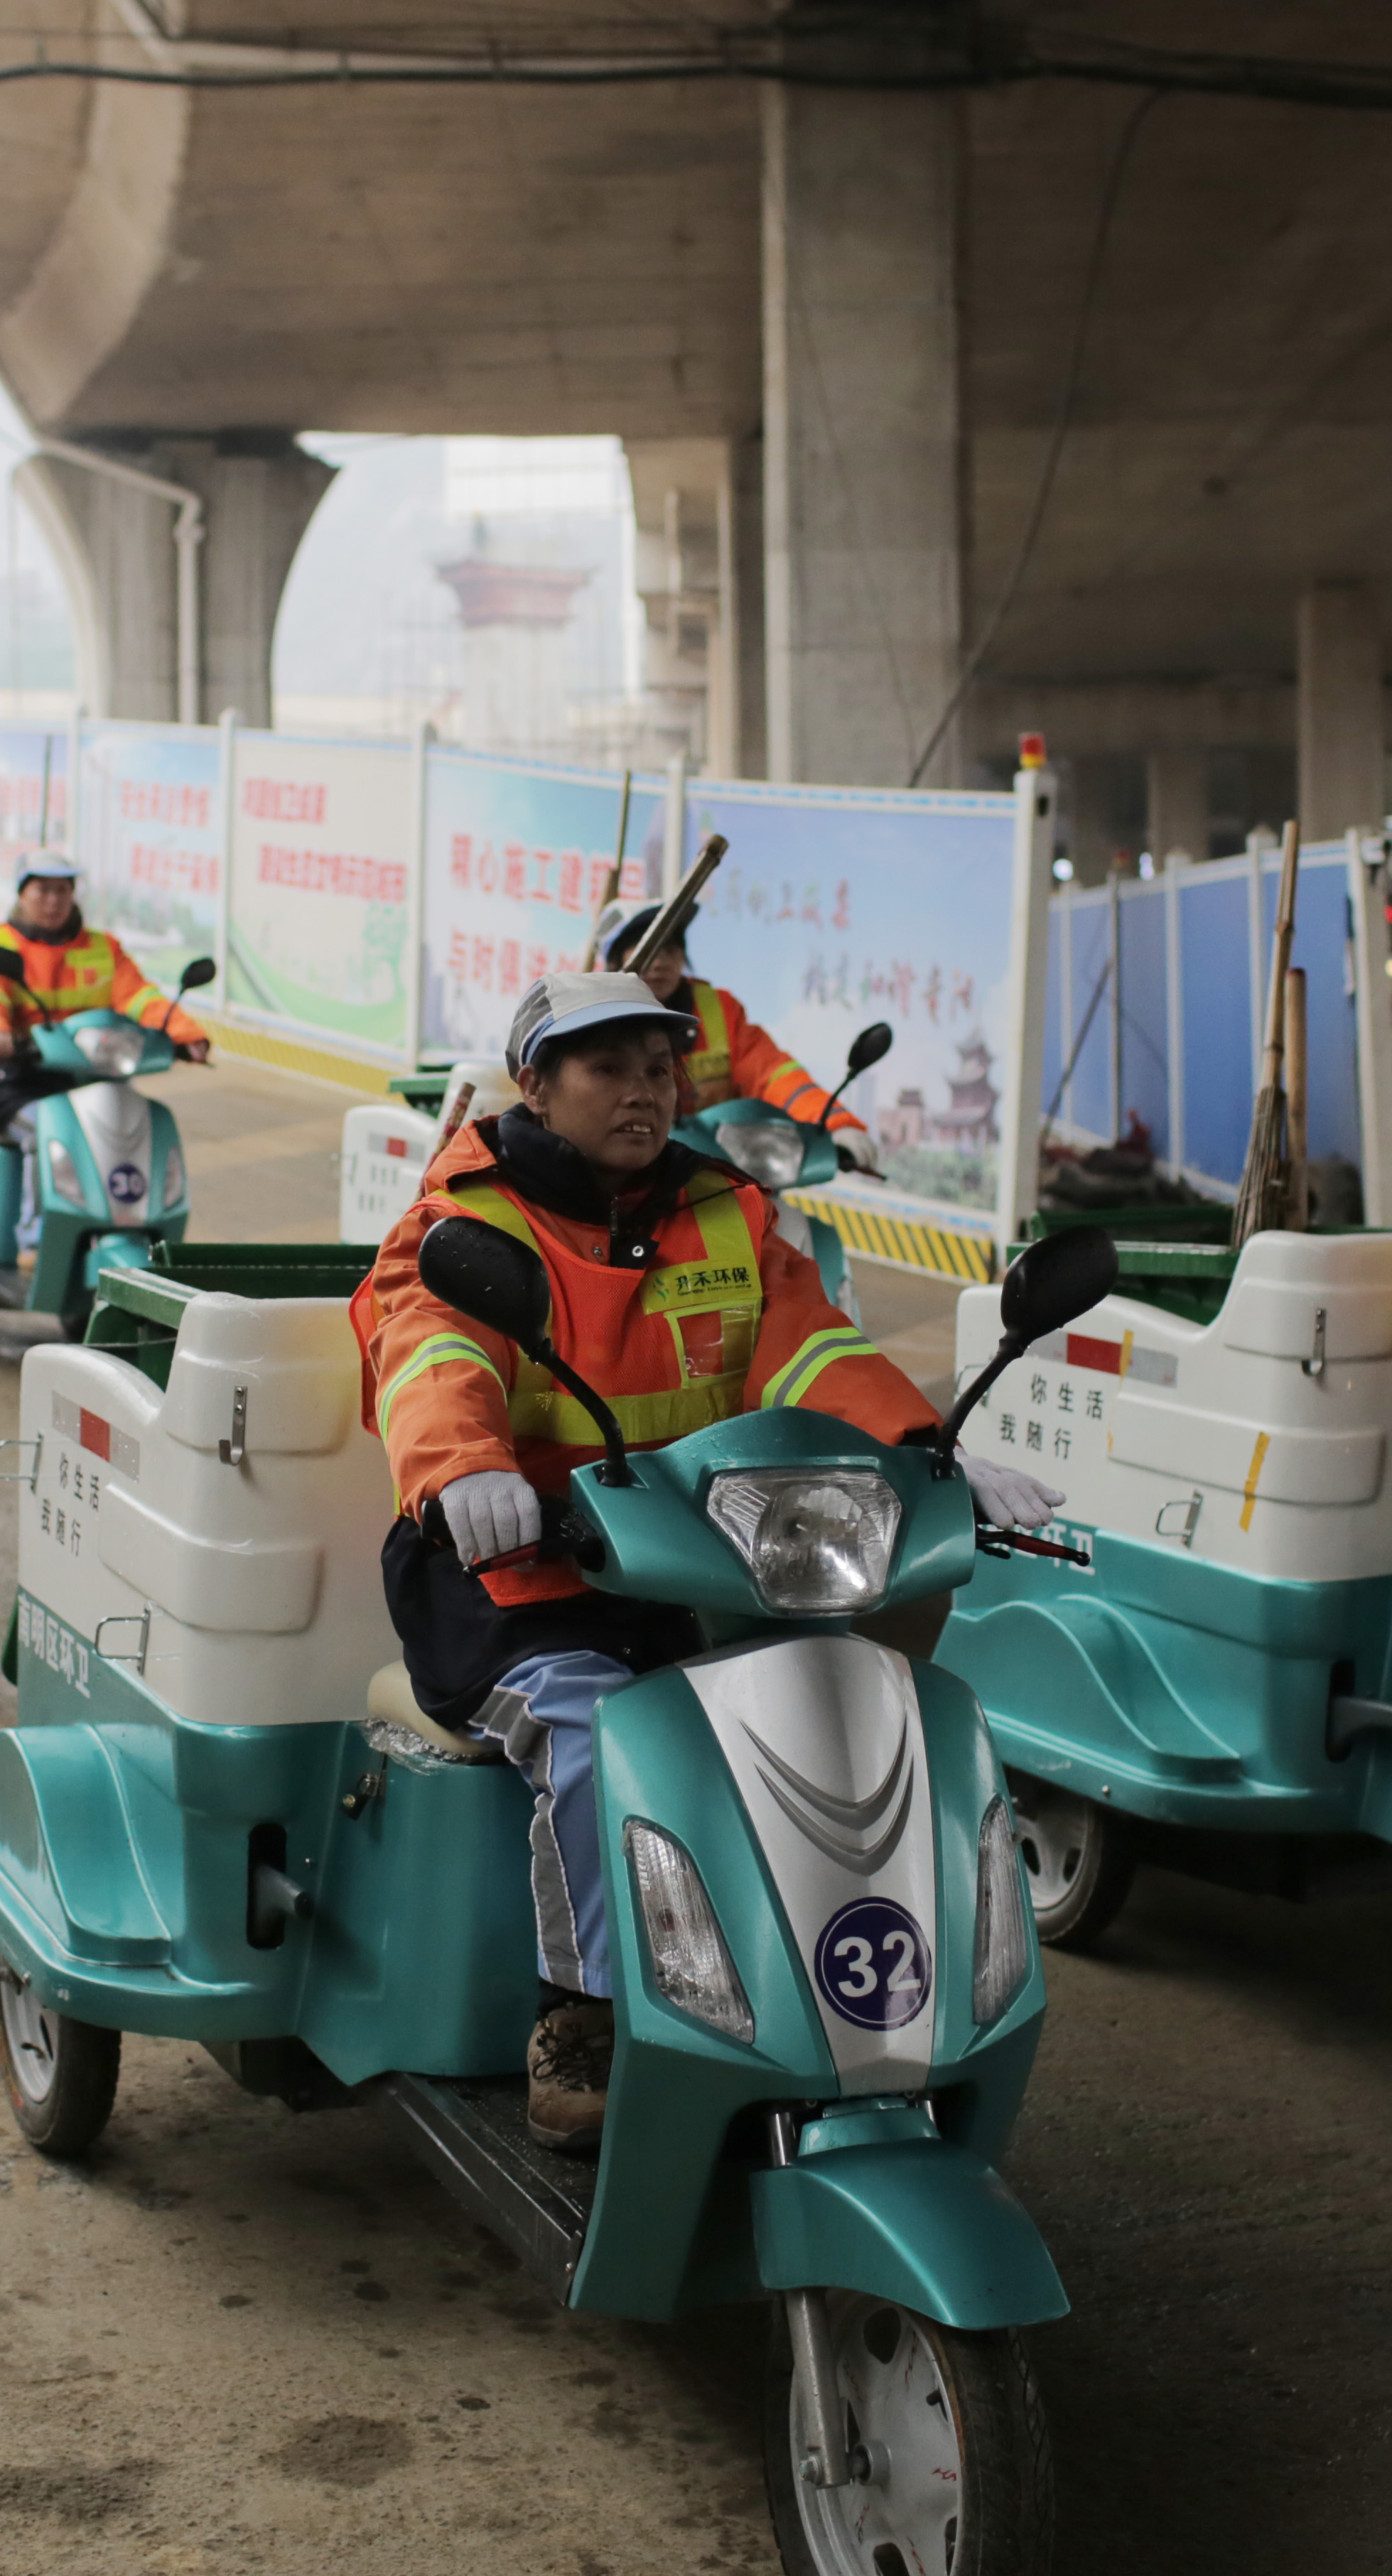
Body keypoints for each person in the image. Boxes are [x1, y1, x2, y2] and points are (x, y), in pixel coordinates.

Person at [355, 970, 1064, 2152]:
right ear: (536, 1085)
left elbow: (813, 1349)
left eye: (658, 1068)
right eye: (608, 1069)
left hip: (696, 1567)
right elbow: (430, 1348)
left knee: (833, 1708)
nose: (644, 1092)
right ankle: (584, 2015)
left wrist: (927, 1452)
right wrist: (464, 1466)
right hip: (513, 1579)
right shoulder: (467, 1225)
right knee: (594, 1730)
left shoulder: (724, 1212)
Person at [600, 903, 879, 1174]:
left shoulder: (718, 1010)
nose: (660, 962)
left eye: (671, 948)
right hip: (627, 1174)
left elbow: (772, 1074)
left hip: (718, 1171)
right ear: (616, 960)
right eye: (648, 950)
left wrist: (835, 1123)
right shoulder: (597, 1020)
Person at [0, 850, 210, 1131]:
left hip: (91, 1073)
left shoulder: (103, 947)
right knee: (52, 1132)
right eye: (43, 890)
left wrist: (184, 1034)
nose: (54, 900)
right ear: (21, 894)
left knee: (133, 1128)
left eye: (62, 891)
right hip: (18, 1076)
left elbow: (139, 996)